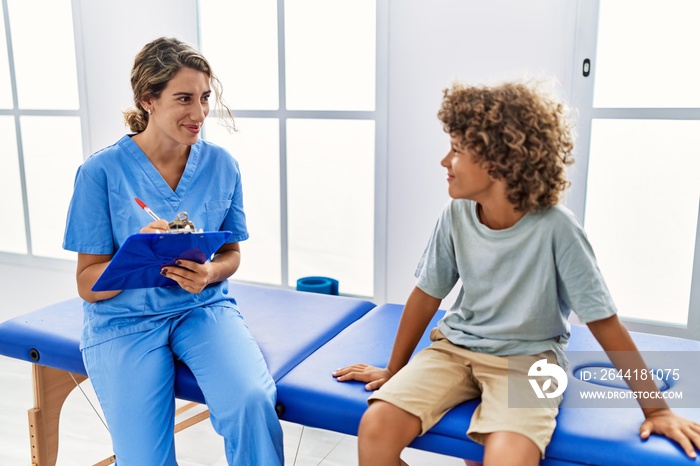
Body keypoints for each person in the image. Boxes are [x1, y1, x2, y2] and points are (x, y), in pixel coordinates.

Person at [333, 81, 700, 465]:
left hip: (533, 361)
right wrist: (395, 369)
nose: (445, 161)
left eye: (456, 150)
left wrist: (656, 410)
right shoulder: (457, 214)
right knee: (376, 428)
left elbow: (605, 323)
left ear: (499, 162)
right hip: (453, 351)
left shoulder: (557, 228)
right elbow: (427, 295)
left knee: (507, 457)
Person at [63, 37, 284, 465]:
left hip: (201, 308)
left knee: (252, 400)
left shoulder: (221, 165)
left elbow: (231, 254)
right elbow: (87, 284)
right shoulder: (99, 173)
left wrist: (210, 274)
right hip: (125, 320)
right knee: (145, 458)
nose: (199, 113)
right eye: (184, 99)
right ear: (148, 99)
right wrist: (135, 254)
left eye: (204, 98)